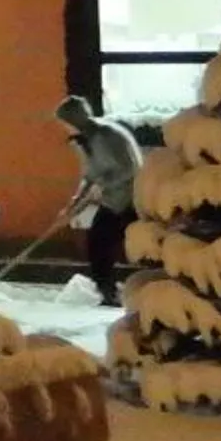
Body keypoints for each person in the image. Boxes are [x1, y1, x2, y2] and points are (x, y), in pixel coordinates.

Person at [54, 94, 143, 303]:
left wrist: (103, 184)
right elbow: (90, 177)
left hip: (131, 200)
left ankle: (125, 291)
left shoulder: (106, 136)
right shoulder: (86, 141)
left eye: (66, 123)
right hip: (113, 201)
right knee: (97, 244)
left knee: (120, 244)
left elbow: (129, 168)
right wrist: (72, 208)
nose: (66, 129)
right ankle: (107, 291)